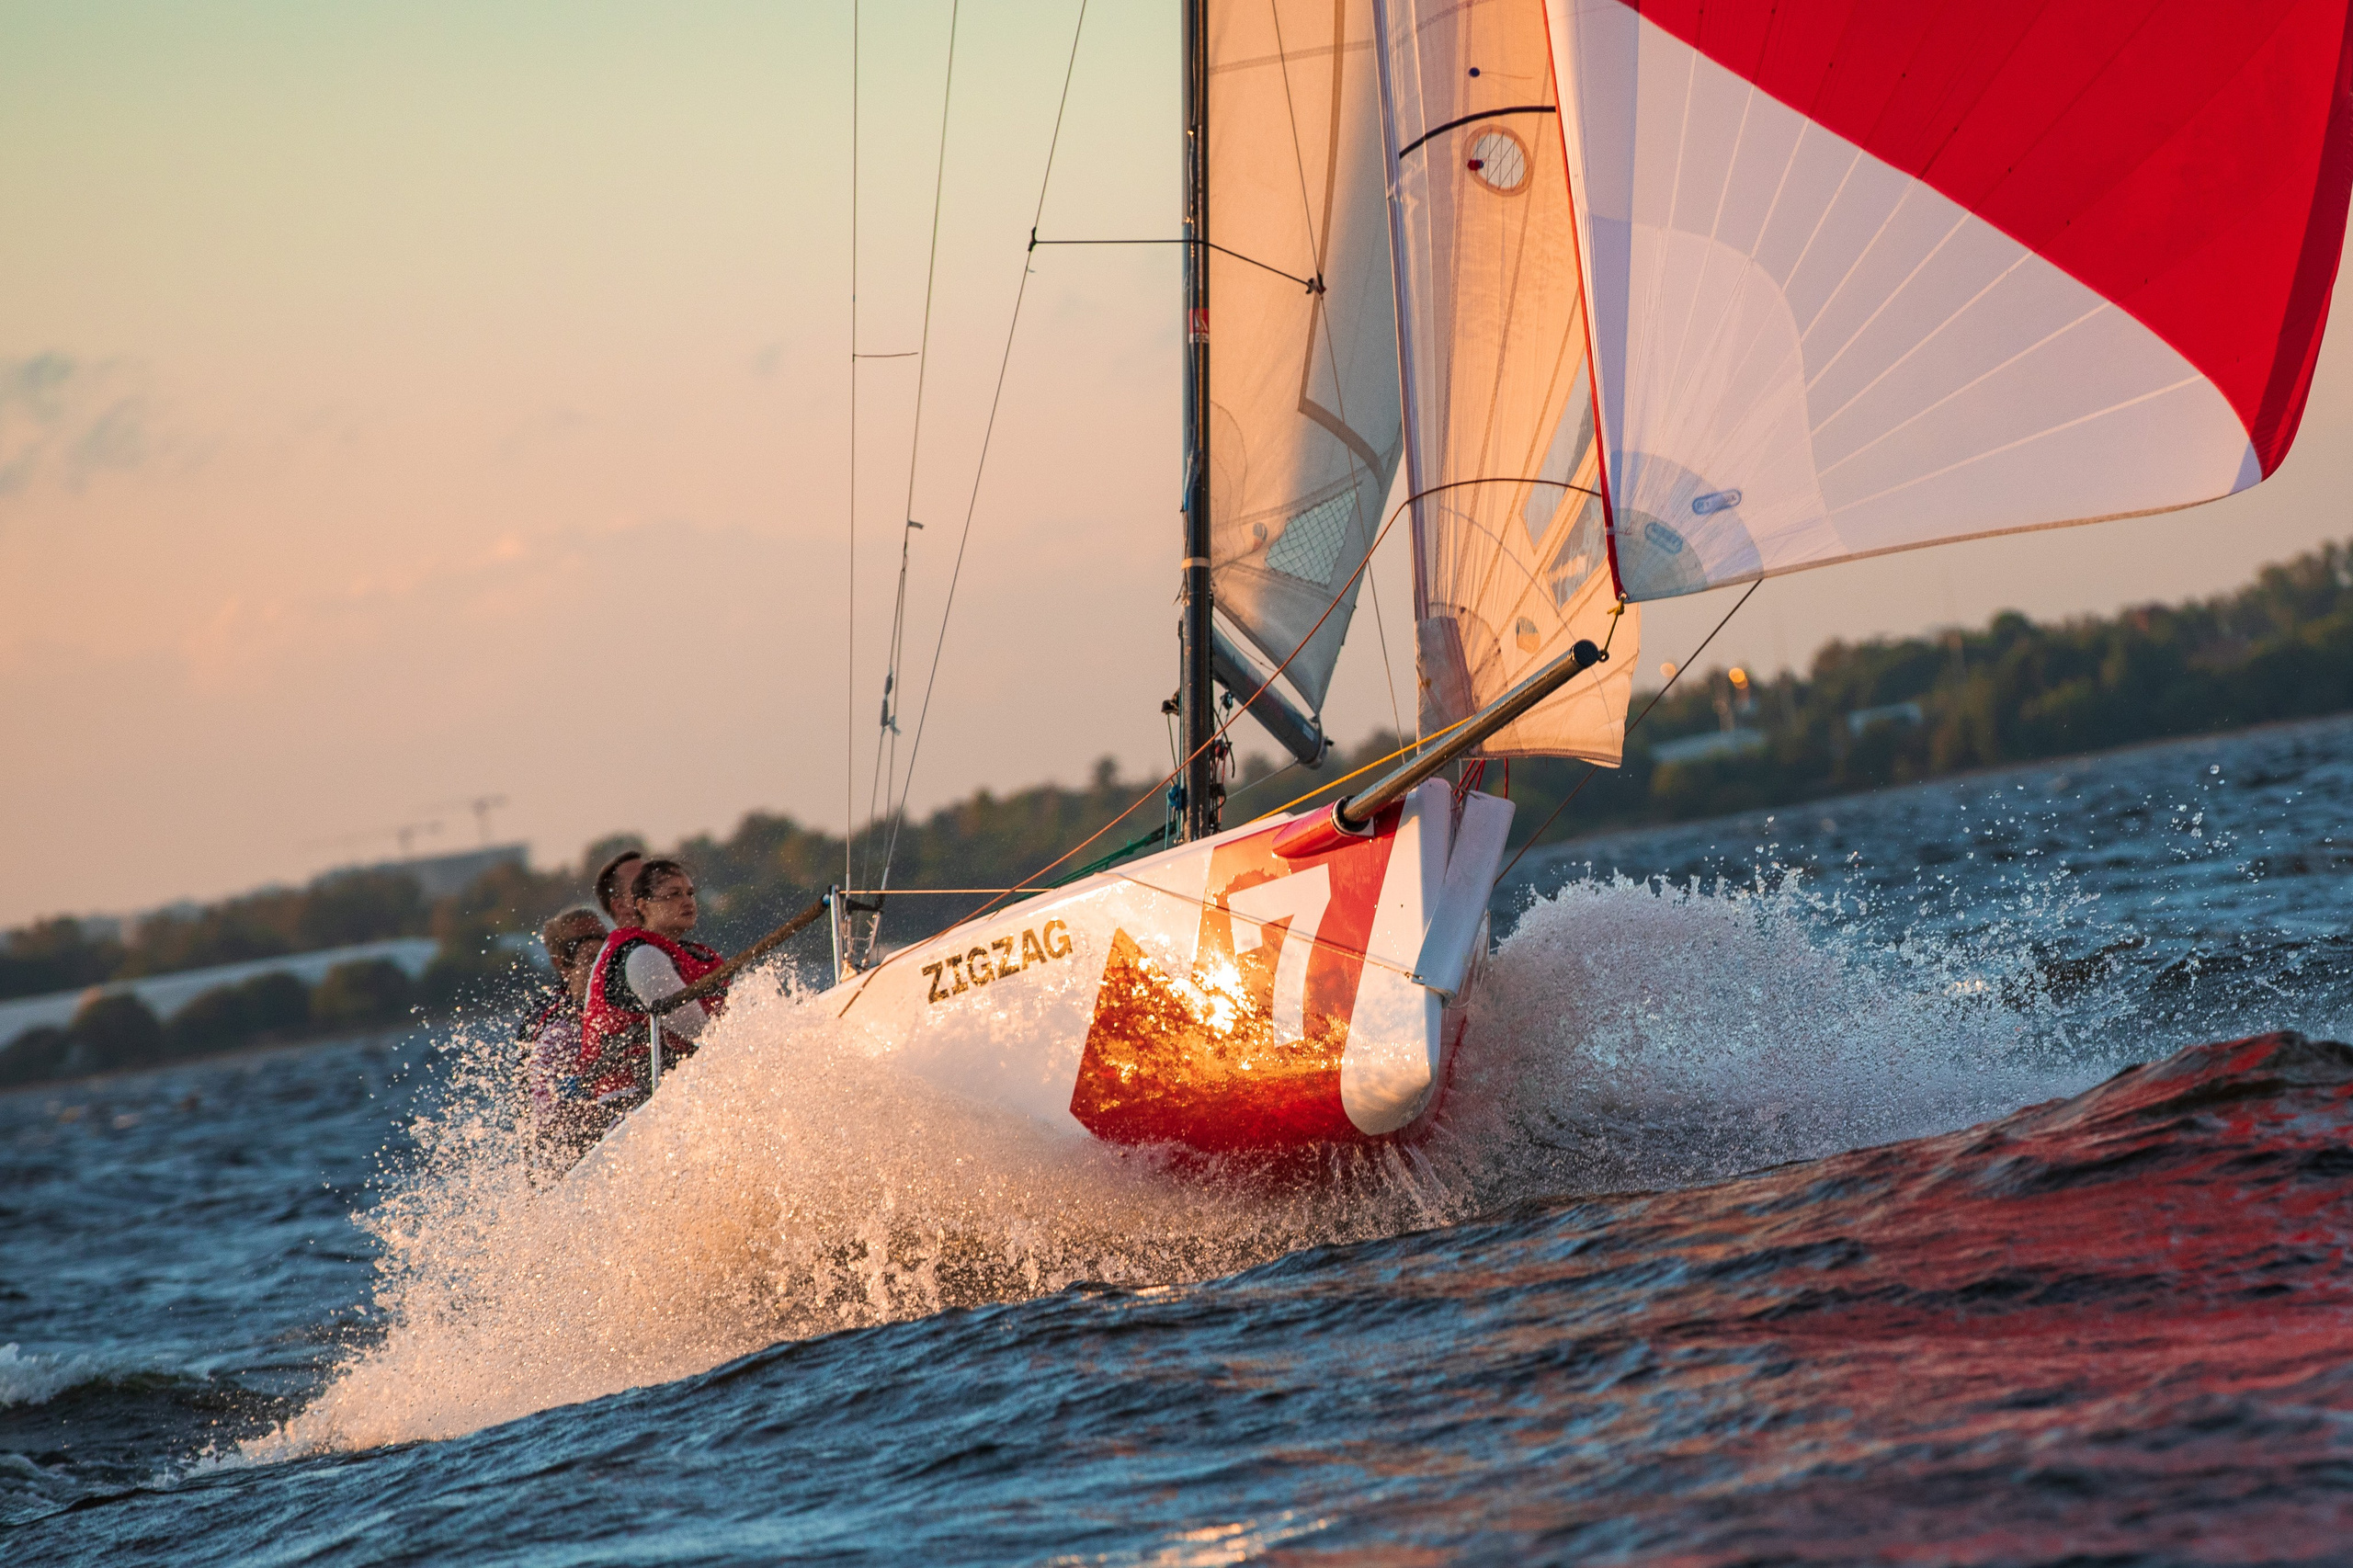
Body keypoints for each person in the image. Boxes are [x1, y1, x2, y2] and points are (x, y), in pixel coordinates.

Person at [578, 858, 728, 1114]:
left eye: (690, 893)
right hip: (627, 1105)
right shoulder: (641, 956)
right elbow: (700, 1033)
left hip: (678, 1094)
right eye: (673, 895)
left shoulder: (694, 955)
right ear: (643, 906)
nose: (687, 901)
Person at [517, 907, 609, 1180]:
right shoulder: (553, 1022)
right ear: (562, 964)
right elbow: (550, 1114)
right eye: (587, 952)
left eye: (601, 939)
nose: (601, 961)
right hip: (571, 1155)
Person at [593, 848, 647, 929]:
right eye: (644, 884)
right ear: (620, 906)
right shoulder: (633, 942)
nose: (659, 890)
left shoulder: (660, 940)